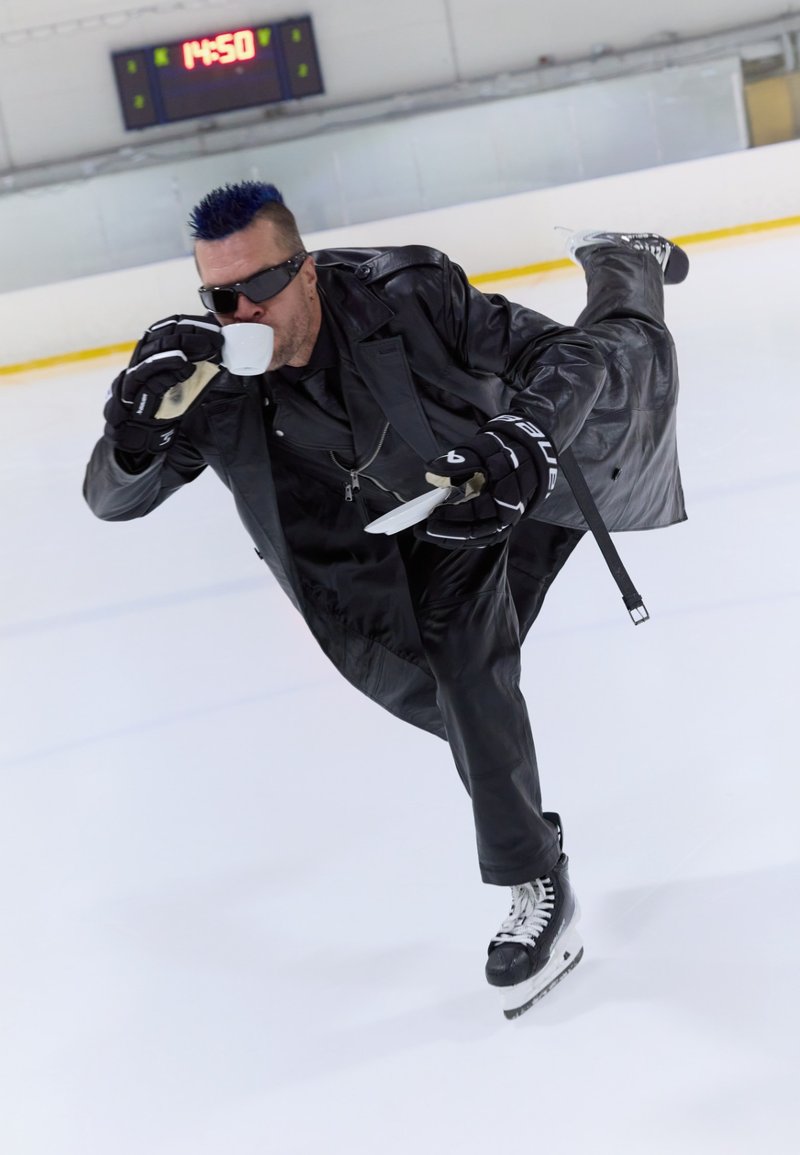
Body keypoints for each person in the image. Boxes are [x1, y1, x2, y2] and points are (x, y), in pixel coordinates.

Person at [83, 181, 687, 1019]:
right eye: (220, 295)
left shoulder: (406, 292)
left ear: (307, 274)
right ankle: (532, 858)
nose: (241, 311)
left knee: (624, 357)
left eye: (259, 286)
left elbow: (561, 359)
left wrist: (526, 435)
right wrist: (133, 433)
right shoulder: (209, 371)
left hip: (495, 479)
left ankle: (626, 266)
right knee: (456, 684)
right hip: (393, 546)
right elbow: (114, 500)